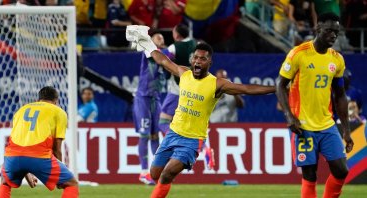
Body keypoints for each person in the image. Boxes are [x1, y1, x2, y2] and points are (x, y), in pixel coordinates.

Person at [127, 27, 275, 198]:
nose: (197, 62)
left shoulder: (217, 84)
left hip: (192, 140)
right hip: (173, 134)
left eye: (202, 59)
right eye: (195, 58)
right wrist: (147, 43)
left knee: (167, 173)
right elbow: (162, 60)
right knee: (155, 174)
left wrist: (277, 89)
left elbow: (247, 88)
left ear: (209, 63)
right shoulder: (184, 74)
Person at [276, 13, 354, 198]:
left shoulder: (337, 60)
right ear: (318, 29)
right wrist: (289, 116)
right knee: (310, 175)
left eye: (336, 32)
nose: (333, 35)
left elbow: (340, 96)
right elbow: (279, 84)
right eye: (329, 31)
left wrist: (346, 129)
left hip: (327, 124)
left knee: (341, 171)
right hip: (302, 125)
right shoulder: (299, 53)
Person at [0, 86, 78, 198]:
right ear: (56, 101)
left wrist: (26, 173)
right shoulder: (59, 112)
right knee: (72, 183)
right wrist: (59, 176)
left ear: (38, 99)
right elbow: (56, 148)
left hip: (12, 156)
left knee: (5, 183)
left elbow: (22, 145)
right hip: (40, 157)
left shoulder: (21, 110)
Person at [133, 33, 166, 185]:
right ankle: (143, 171)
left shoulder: (165, 57)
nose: (161, 39)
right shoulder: (148, 51)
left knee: (155, 135)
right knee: (144, 134)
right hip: (144, 98)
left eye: (162, 38)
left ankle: (155, 172)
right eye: (157, 37)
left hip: (156, 99)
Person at [158, 24, 196, 134]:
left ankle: (176, 142)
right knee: (190, 124)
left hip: (178, 90)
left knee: (163, 121)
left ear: (177, 35)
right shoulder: (196, 44)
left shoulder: (174, 47)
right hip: (194, 89)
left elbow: (162, 60)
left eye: (173, 32)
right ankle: (205, 148)